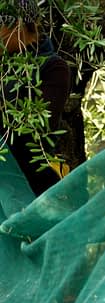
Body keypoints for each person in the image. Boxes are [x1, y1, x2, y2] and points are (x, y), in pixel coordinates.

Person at [0, 0, 71, 196]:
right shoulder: (4, 66)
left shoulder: (53, 68)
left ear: (19, 27)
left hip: (32, 187)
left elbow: (39, 130)